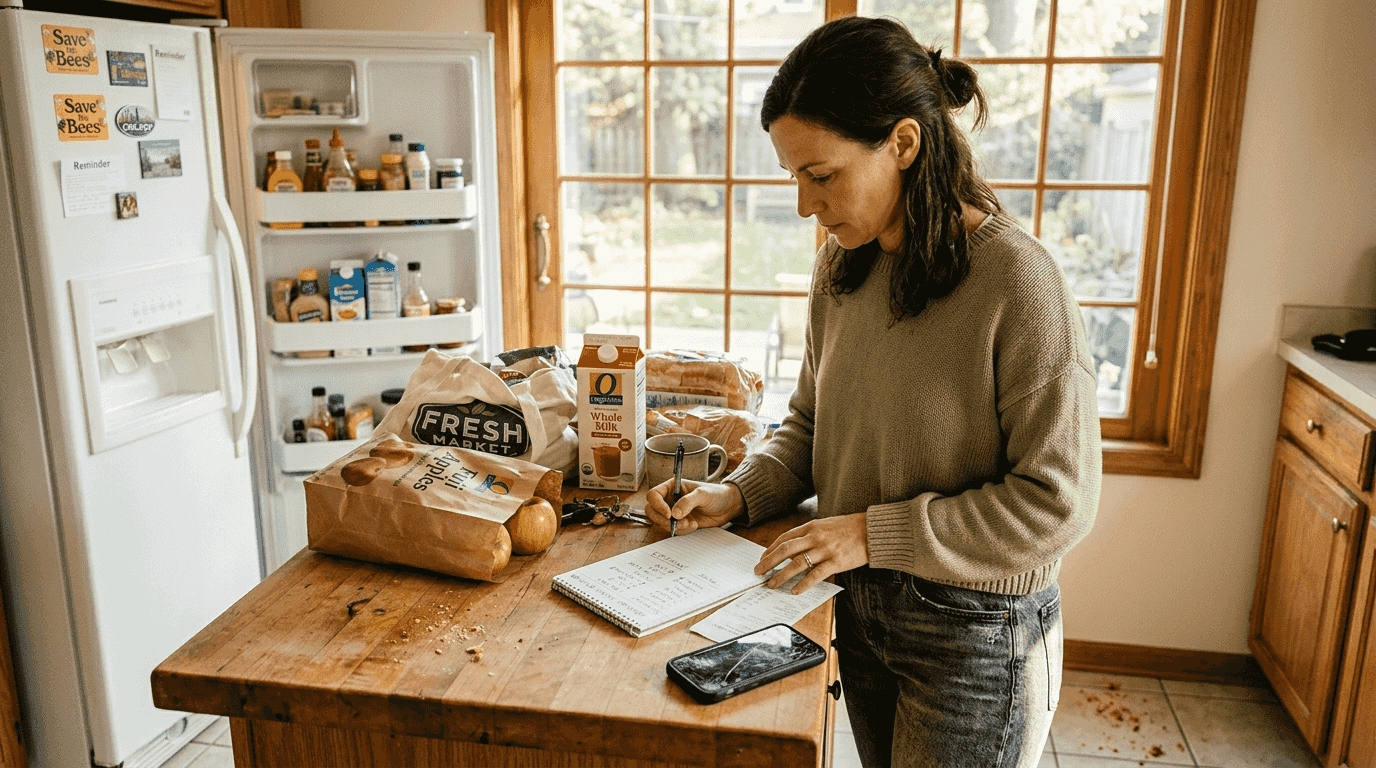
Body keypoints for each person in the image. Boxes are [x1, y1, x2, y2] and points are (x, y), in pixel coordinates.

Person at [643, 15, 1101, 768]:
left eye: (820, 175)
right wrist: (739, 494)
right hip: (856, 606)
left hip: (977, 638)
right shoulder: (842, 268)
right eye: (794, 176)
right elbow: (809, 424)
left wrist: (867, 534)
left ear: (904, 143)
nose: (804, 205)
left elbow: (1059, 502)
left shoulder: (1019, 282)